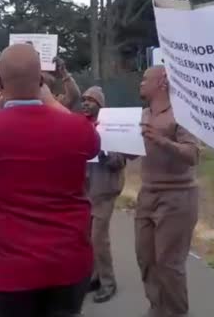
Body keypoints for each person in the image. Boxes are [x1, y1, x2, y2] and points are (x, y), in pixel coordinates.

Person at [0, 44, 99, 317]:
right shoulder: (76, 128)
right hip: (67, 266)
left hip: (3, 274)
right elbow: (93, 144)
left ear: (0, 83)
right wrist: (51, 102)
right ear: (41, 81)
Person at [135, 66, 201, 317]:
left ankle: (175, 312)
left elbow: (192, 154)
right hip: (147, 195)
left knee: (169, 264)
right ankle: (156, 308)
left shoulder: (182, 113)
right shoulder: (141, 114)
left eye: (144, 78)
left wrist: (161, 140)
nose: (140, 83)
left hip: (177, 197)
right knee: (146, 259)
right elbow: (134, 150)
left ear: (162, 82)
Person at [81, 86, 126, 304]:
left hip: (105, 190)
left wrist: (104, 150)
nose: (86, 103)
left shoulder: (112, 128)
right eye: (85, 99)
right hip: (87, 191)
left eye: (91, 100)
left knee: (99, 238)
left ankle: (109, 283)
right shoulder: (84, 125)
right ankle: (94, 277)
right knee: (88, 238)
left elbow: (120, 161)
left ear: (101, 105)